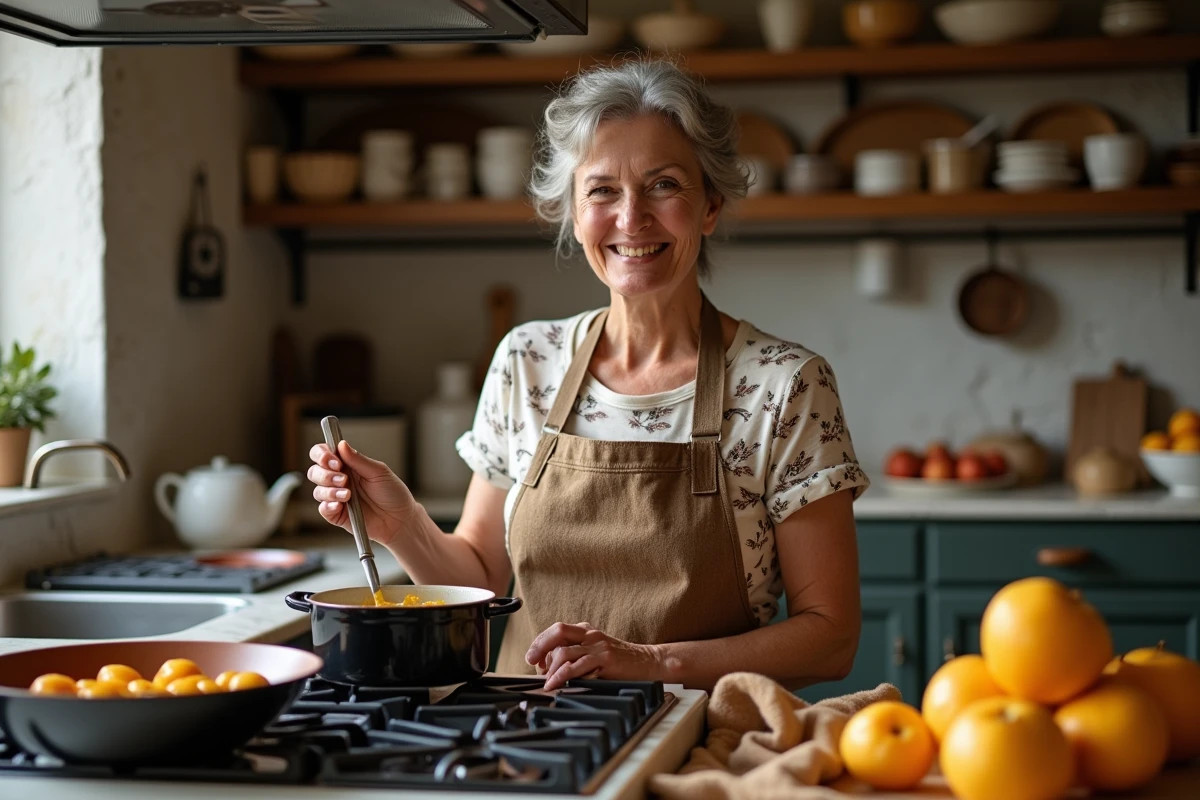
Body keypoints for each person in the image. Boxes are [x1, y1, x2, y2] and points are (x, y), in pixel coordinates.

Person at [308, 58, 869, 692]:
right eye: (602, 190)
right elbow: (482, 581)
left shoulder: (784, 386)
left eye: (663, 185)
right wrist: (399, 524)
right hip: (526, 737)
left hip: (704, 742)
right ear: (574, 214)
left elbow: (831, 637)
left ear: (710, 205)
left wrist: (654, 663)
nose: (632, 218)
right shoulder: (528, 360)